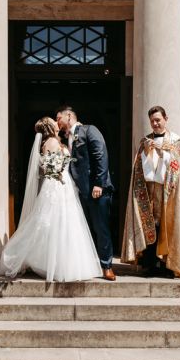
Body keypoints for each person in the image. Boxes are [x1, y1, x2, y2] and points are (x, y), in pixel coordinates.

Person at [0, 117, 102, 282]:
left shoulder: (54, 141)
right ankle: (55, 265)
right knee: (56, 223)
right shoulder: (52, 142)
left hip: (63, 184)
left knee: (62, 224)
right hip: (57, 185)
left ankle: (64, 263)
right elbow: (52, 168)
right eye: (53, 121)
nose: (56, 122)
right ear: (49, 126)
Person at [122, 106, 180, 278]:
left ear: (165, 119)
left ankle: (167, 264)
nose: (155, 124)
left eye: (158, 120)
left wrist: (162, 151)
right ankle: (149, 263)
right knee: (150, 225)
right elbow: (138, 167)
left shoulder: (176, 141)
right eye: (152, 121)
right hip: (148, 190)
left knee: (167, 225)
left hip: (168, 191)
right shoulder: (145, 141)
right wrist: (147, 152)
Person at [57, 107, 116, 281]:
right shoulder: (64, 139)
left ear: (69, 116)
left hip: (96, 190)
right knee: (84, 230)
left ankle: (107, 266)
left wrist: (98, 183)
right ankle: (89, 265)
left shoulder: (89, 130)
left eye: (58, 118)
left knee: (101, 228)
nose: (57, 122)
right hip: (78, 192)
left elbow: (100, 155)